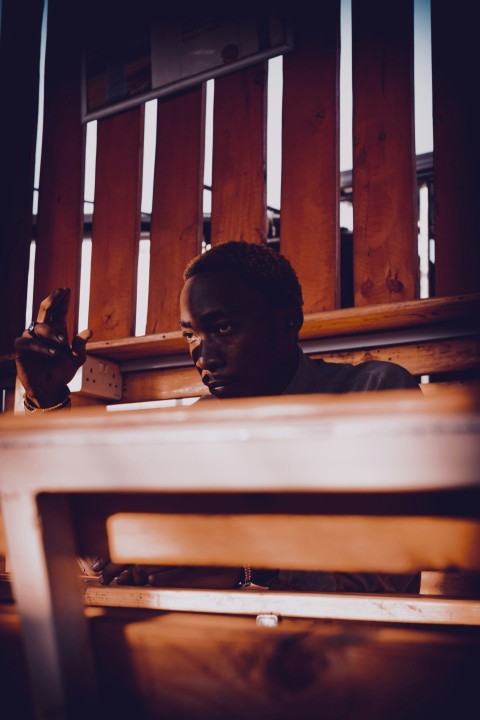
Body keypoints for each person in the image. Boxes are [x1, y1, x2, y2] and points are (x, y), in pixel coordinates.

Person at [15, 240, 421, 593]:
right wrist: (46, 402)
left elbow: (387, 574)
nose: (203, 357)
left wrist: (241, 565)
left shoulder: (374, 392)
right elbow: (93, 541)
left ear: (287, 324)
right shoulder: (193, 430)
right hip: (197, 653)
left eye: (224, 328)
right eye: (190, 334)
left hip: (357, 662)